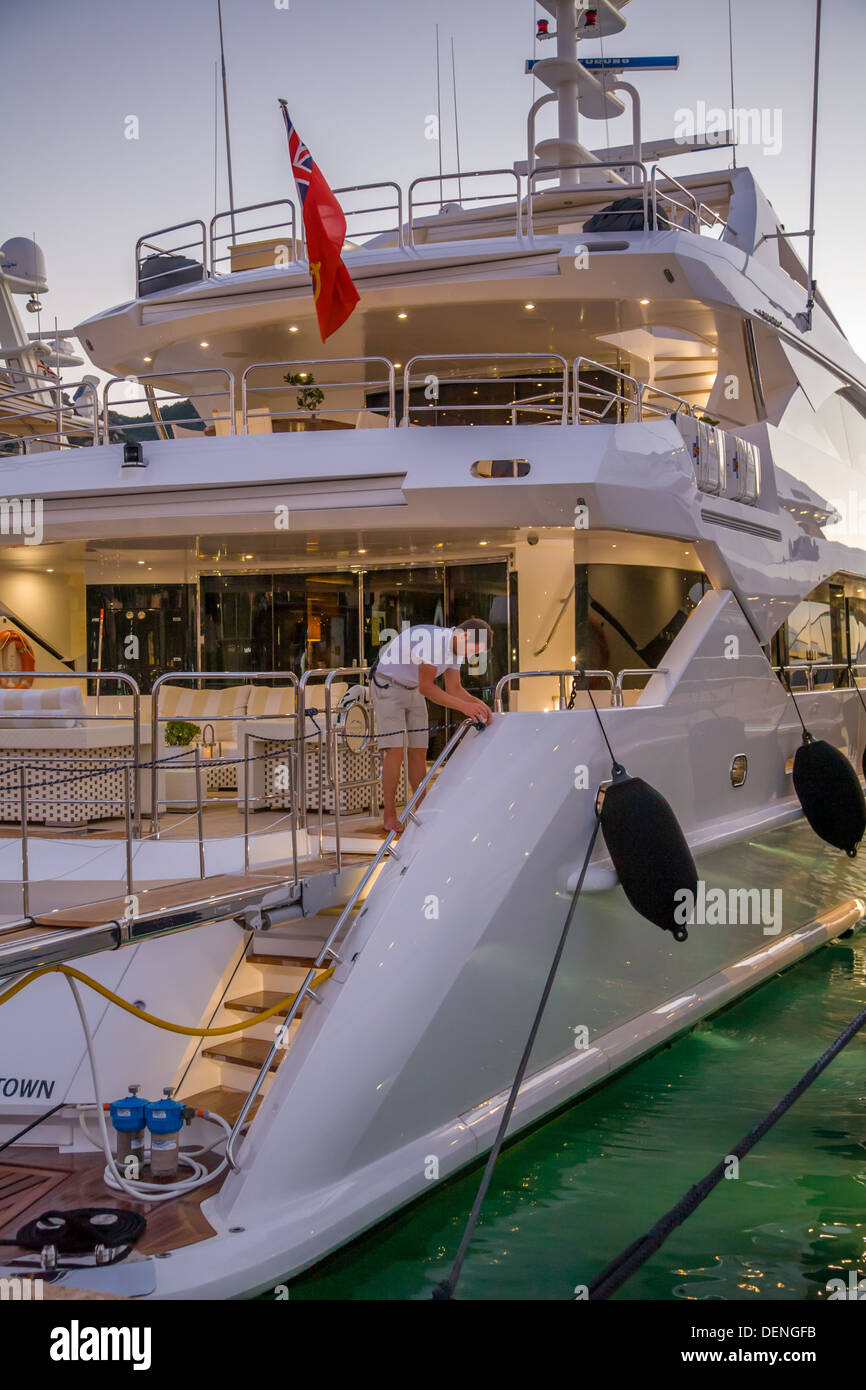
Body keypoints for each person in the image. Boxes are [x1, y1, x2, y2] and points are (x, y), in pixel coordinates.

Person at [370, 618, 493, 832]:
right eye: (474, 650)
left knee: (419, 750)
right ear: (464, 636)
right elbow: (427, 688)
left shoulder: (456, 648)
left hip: (413, 689)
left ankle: (422, 810)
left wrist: (482, 706)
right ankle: (389, 814)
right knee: (396, 750)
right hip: (388, 686)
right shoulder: (434, 642)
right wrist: (466, 708)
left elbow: (454, 688)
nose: (472, 656)